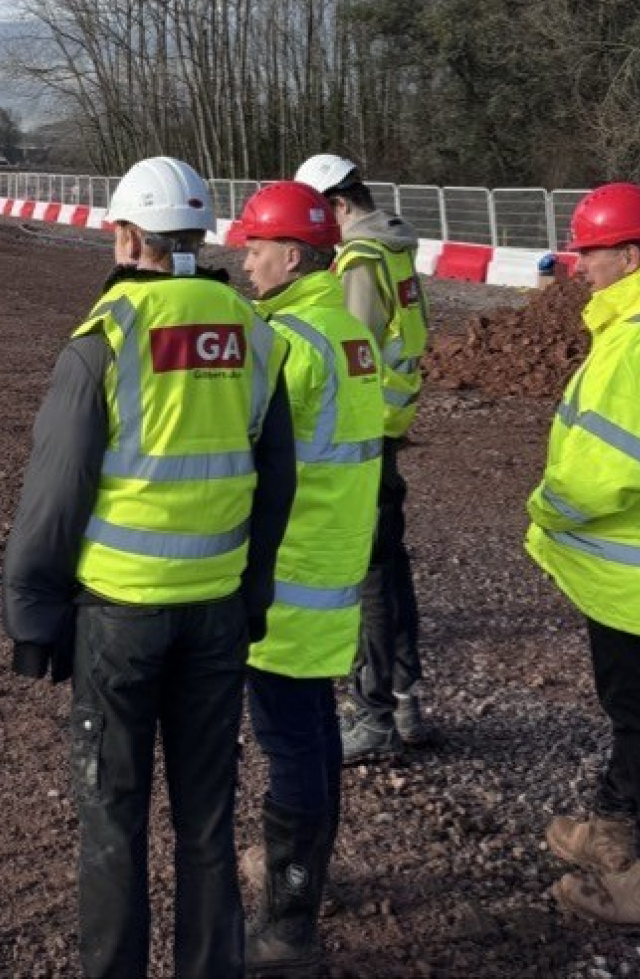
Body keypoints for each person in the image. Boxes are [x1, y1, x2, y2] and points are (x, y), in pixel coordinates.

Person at [3, 155, 298, 979]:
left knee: (112, 817)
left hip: (120, 616)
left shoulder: (106, 339)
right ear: (199, 236)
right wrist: (255, 592)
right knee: (207, 819)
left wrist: (32, 611)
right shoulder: (255, 333)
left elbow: (55, 495)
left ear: (128, 235)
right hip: (216, 610)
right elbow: (277, 481)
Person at [230, 181, 385, 973]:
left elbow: (248, 451)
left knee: (290, 739)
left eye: (256, 248)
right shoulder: (342, 329)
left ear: (293, 255)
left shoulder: (289, 341)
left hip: (289, 571)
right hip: (331, 561)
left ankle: (290, 922)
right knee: (315, 730)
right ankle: (310, 876)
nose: (246, 263)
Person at [526, 182, 640, 934]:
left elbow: (608, 471)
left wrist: (544, 507)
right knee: (639, 709)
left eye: (588, 253)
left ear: (629, 255)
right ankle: (614, 825)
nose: (578, 266)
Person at [294, 153, 431, 762]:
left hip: (362, 429)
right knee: (391, 571)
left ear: (340, 206)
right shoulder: (395, 247)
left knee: (369, 574)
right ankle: (404, 697)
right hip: (391, 422)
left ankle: (373, 711)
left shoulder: (359, 258)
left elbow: (347, 350)